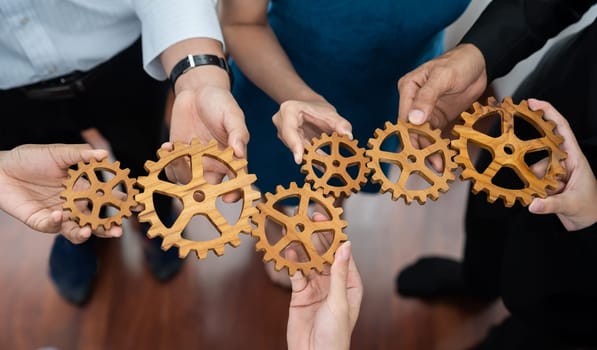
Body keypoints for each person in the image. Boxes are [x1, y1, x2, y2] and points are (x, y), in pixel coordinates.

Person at [0, 142, 364, 350]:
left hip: (116, 68)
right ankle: (88, 227)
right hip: (22, 94)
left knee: (137, 143)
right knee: (63, 159)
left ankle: (152, 222)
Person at [0, 1, 248, 305]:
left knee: (147, 156)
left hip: (123, 57)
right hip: (10, 90)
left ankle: (155, 217)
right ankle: (84, 227)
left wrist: (198, 77)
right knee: (57, 178)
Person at [218, 0, 471, 286]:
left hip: (387, 88)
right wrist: (300, 96)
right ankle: (273, 219)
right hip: (279, 76)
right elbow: (242, 21)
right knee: (272, 167)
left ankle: (329, 211)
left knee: (346, 164)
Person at [395, 0, 597, 347]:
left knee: (572, 284)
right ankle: (479, 278)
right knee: (495, 186)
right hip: (580, 78)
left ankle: (536, 331)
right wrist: (482, 51)